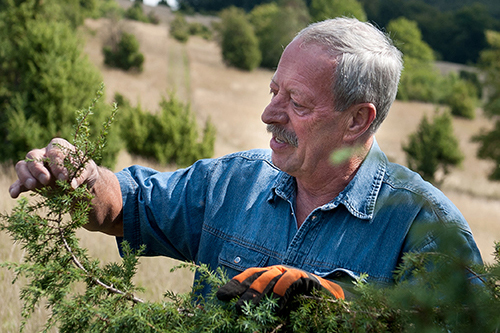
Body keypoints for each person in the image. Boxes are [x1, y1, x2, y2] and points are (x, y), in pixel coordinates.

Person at [9, 18, 482, 310]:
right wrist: (80, 178)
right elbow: (127, 207)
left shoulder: (426, 228)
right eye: (274, 90)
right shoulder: (234, 182)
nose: (269, 113)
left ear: (358, 120)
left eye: (296, 101)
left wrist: (339, 306)